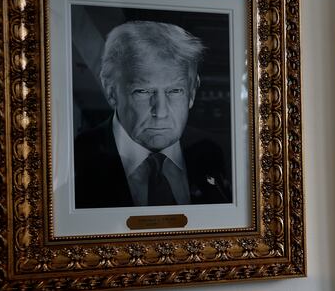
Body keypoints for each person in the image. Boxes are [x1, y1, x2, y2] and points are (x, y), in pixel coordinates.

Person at [74, 21, 232, 208]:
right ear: (111, 92)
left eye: (175, 91)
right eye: (143, 92)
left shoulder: (222, 154)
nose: (161, 112)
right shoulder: (74, 159)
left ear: (192, 91)